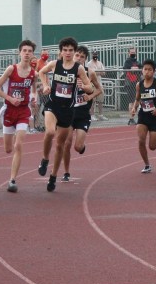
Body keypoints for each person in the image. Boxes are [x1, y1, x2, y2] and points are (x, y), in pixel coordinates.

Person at [36, 37, 96, 192]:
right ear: (61, 51)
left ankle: (53, 176)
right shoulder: (54, 64)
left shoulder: (79, 69)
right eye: (65, 50)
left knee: (60, 145)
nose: (68, 53)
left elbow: (90, 88)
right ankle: (44, 159)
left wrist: (85, 86)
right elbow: (41, 72)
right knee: (50, 132)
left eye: (70, 50)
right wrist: (45, 85)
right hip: (53, 105)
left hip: (68, 110)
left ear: (73, 51)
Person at [0, 40, 37, 192]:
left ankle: (12, 180)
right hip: (9, 110)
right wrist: (10, 99)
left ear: (32, 54)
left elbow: (33, 90)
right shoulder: (11, 69)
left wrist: (33, 99)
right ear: (19, 53)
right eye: (24, 50)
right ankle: (10, 141)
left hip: (23, 111)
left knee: (19, 145)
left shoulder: (33, 73)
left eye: (29, 51)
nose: (27, 53)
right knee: (8, 149)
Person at [58, 45, 102, 182]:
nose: (78, 58)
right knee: (67, 143)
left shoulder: (90, 73)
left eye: (82, 57)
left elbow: (99, 89)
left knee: (77, 147)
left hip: (83, 114)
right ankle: (66, 172)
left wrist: (90, 96)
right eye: (77, 55)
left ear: (85, 59)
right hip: (69, 112)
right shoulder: (66, 70)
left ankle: (81, 146)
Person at [129, 60, 156, 173]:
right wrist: (134, 108)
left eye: (149, 70)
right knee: (141, 140)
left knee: (152, 146)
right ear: (142, 70)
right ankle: (147, 165)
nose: (147, 72)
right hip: (143, 115)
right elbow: (138, 98)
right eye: (145, 69)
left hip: (155, 116)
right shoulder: (139, 84)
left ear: (154, 71)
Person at [88, 51, 107, 120]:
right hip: (92, 84)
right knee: (93, 101)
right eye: (94, 54)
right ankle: (92, 115)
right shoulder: (89, 64)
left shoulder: (100, 63)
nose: (95, 55)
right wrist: (97, 72)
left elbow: (103, 73)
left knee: (100, 100)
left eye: (96, 54)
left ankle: (100, 115)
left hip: (99, 83)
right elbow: (91, 73)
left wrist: (96, 72)